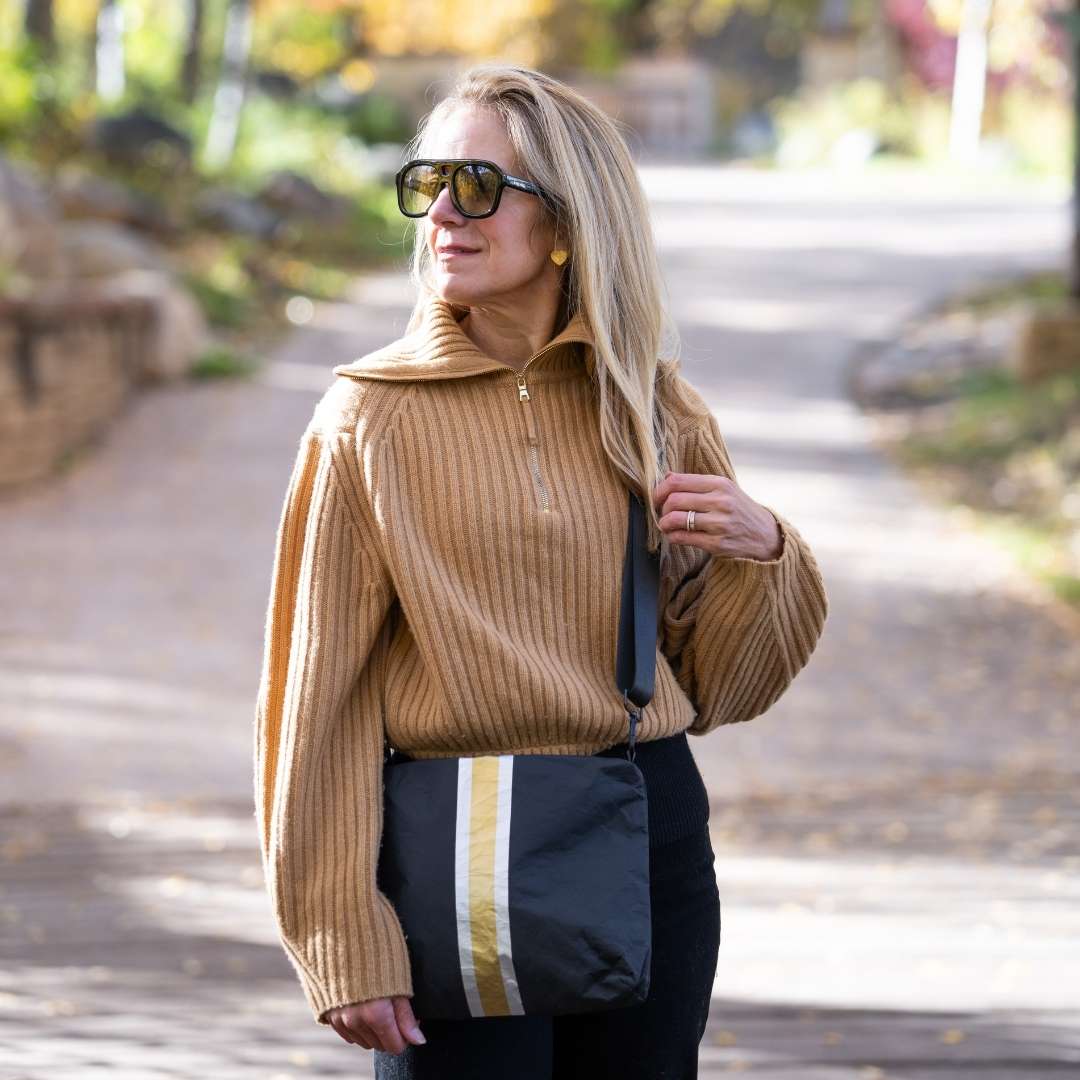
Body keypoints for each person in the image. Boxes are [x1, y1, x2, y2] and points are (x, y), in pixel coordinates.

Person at [253, 62, 829, 1079]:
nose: (443, 213)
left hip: (645, 825)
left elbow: (726, 690)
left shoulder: (652, 408)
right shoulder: (365, 419)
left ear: (564, 221)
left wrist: (764, 554)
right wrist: (338, 929)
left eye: (478, 186)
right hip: (458, 844)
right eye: (428, 184)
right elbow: (317, 702)